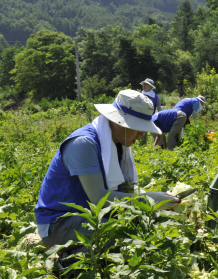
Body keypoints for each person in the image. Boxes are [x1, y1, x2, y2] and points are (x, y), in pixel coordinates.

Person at [34, 90, 180, 254]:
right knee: (120, 239)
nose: (141, 134)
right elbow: (99, 198)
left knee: (141, 228)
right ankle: (67, 262)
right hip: (58, 223)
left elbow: (122, 190)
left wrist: (154, 198)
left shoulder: (117, 144)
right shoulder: (83, 144)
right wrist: (150, 200)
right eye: (137, 128)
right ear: (118, 122)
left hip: (89, 216)